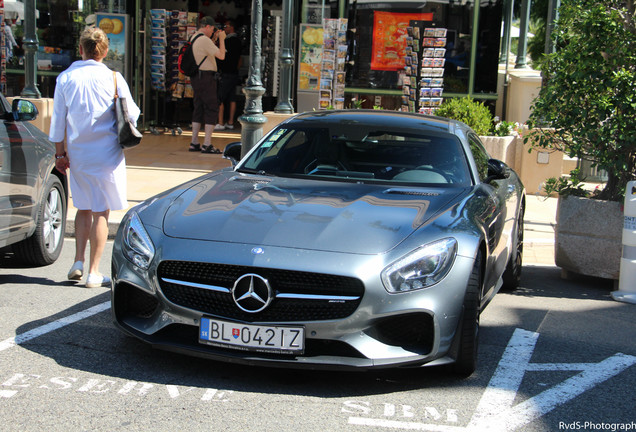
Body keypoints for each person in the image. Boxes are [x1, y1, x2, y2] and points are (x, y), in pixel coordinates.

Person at [49, 27, 140, 288]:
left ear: (81, 49)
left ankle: (77, 261)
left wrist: (59, 153)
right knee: (101, 211)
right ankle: (93, 271)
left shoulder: (65, 78)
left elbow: (57, 122)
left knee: (83, 206)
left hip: (78, 153)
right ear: (105, 50)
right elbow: (132, 114)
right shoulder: (113, 78)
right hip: (107, 152)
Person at [188, 16, 226, 154]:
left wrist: (214, 39)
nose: (213, 31)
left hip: (197, 77)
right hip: (206, 78)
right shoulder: (204, 39)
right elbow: (221, 55)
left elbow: (207, 51)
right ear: (208, 27)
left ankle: (194, 142)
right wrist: (222, 39)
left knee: (198, 107)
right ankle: (207, 144)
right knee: (211, 107)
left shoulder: (195, 37)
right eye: (213, 29)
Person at [215, 19, 242, 131]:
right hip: (234, 73)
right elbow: (240, 59)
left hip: (226, 73)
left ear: (232, 27)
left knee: (219, 97)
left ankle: (220, 122)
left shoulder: (227, 41)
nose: (224, 28)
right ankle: (230, 122)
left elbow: (221, 57)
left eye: (226, 26)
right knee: (232, 98)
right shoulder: (239, 41)